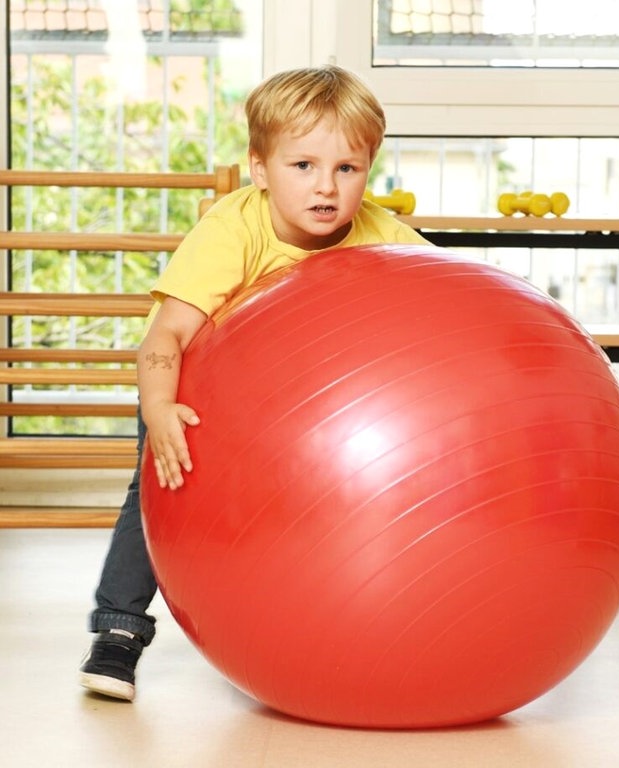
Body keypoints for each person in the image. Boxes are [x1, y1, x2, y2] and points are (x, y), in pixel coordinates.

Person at [78, 64, 431, 701]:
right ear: (261, 169)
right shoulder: (234, 229)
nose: (325, 187)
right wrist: (158, 411)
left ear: (369, 169)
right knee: (161, 485)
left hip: (303, 416)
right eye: (302, 167)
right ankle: (120, 632)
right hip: (190, 394)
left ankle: (336, 622)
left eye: (346, 169)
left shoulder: (388, 239)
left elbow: (456, 309)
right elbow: (164, 338)